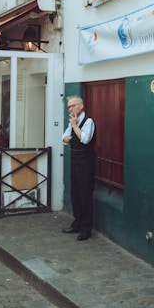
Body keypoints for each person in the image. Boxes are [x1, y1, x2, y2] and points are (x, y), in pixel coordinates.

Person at [62, 95, 96, 241]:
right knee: (75, 193)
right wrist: (67, 135)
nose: (70, 109)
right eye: (69, 106)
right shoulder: (72, 122)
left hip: (86, 162)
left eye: (73, 105)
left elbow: (85, 139)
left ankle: (86, 228)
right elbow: (64, 138)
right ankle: (77, 223)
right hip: (75, 161)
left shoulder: (88, 122)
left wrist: (75, 126)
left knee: (85, 195)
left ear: (81, 106)